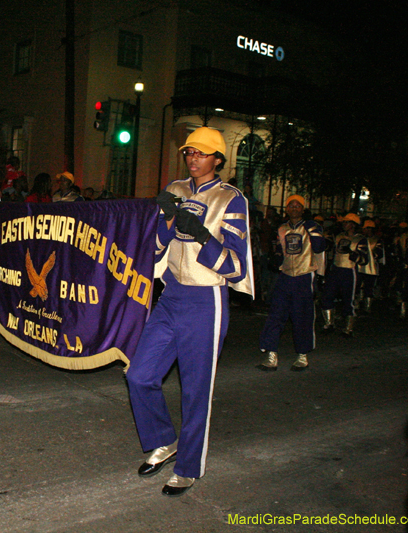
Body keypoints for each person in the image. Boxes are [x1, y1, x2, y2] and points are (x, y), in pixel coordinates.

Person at [126, 127, 253, 496]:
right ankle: (164, 440)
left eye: (201, 152)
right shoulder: (178, 189)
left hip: (206, 300)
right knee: (139, 375)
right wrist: (165, 222)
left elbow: (236, 267)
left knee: (195, 390)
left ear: (217, 159)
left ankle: (189, 466)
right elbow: (152, 251)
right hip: (171, 295)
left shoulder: (231, 199)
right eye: (189, 152)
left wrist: (200, 234)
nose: (193, 158)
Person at [256, 195, 326, 371]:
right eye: (291, 206)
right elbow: (280, 252)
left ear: (303, 209)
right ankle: (271, 354)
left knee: (302, 316)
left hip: (304, 276)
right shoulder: (282, 229)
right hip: (285, 276)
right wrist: (276, 259)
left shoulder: (311, 226)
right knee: (276, 314)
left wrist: (320, 276)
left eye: (298, 206)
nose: (294, 208)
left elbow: (319, 248)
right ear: (286, 209)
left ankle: (302, 355)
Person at [319, 213, 366, 336]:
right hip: (336, 269)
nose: (344, 224)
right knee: (327, 296)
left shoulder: (360, 239)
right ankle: (329, 323)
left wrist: (351, 253)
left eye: (346, 222)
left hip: (350, 271)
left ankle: (348, 328)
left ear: (353, 225)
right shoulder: (339, 236)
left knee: (348, 300)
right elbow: (333, 253)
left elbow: (364, 260)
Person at [357, 219, 383, 313]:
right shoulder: (359, 238)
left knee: (369, 287)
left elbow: (379, 254)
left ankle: (367, 306)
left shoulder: (376, 240)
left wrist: (370, 253)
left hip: (371, 268)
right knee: (357, 286)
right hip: (359, 267)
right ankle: (357, 304)